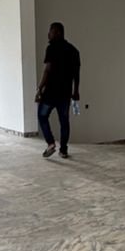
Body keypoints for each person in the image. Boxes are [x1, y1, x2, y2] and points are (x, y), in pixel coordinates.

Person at [35, 21, 80, 158]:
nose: (48, 34)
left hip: (51, 91)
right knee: (64, 121)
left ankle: (50, 143)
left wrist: (39, 89)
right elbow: (76, 74)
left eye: (51, 31)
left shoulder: (51, 48)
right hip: (65, 93)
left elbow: (47, 70)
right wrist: (76, 91)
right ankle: (63, 150)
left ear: (58, 32)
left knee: (42, 115)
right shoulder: (74, 50)